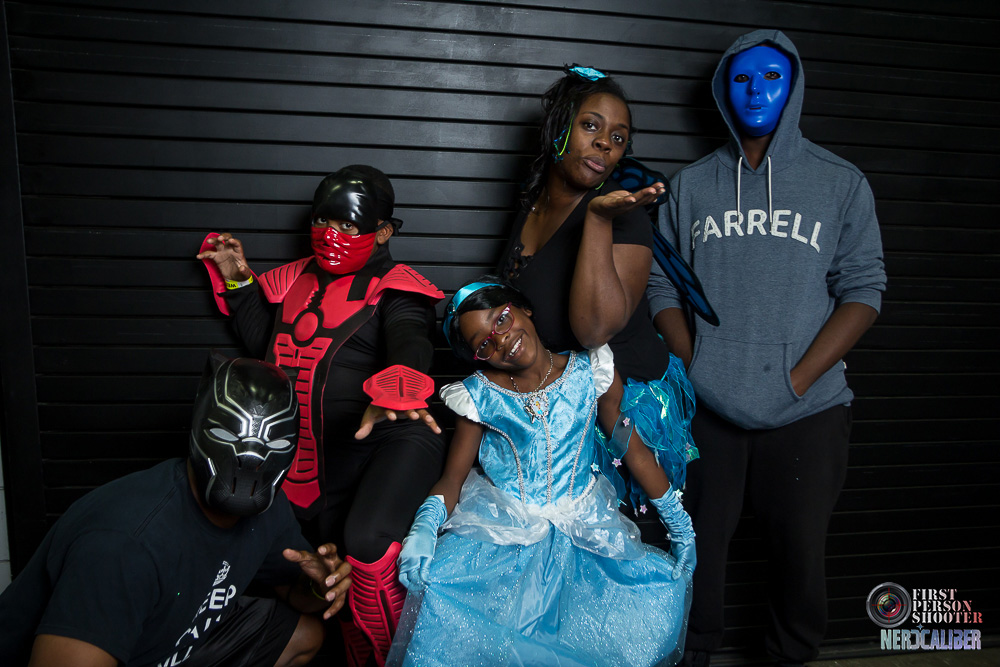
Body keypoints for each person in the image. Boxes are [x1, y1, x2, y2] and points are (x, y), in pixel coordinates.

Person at [646, 30, 886, 666]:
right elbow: (662, 283)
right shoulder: (691, 186)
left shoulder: (840, 182)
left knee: (799, 559)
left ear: (794, 88)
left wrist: (797, 380)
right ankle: (690, 654)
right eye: (742, 79)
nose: (756, 91)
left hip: (808, 411)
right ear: (723, 91)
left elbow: (864, 290)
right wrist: (694, 366)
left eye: (772, 78)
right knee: (694, 551)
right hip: (708, 410)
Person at [196, 165, 447, 666]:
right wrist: (237, 278)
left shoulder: (396, 286)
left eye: (348, 225)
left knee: (366, 544)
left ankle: (396, 658)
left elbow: (410, 336)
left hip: (388, 438)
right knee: (311, 569)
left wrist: (399, 383)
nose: (332, 234)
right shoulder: (294, 279)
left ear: (382, 232)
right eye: (322, 221)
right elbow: (270, 346)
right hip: (311, 457)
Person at [386, 280, 697, 667]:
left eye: (501, 319)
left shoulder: (591, 370)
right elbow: (453, 478)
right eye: (484, 344)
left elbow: (630, 447)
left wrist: (679, 525)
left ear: (523, 308)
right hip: (503, 541)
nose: (502, 340)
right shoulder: (479, 395)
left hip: (585, 536)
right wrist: (424, 528)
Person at [0, 356, 351, 667]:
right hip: (111, 650)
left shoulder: (268, 511)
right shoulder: (123, 545)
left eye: (274, 443)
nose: (250, 461)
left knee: (302, 636)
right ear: (201, 427)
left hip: (169, 644)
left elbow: (293, 593)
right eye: (227, 434)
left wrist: (319, 587)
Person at [497, 65, 668, 385]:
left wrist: (598, 219)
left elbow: (594, 332)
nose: (604, 143)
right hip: (556, 393)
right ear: (559, 127)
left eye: (617, 137)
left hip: (624, 401)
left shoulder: (625, 214)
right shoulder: (532, 201)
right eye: (590, 125)